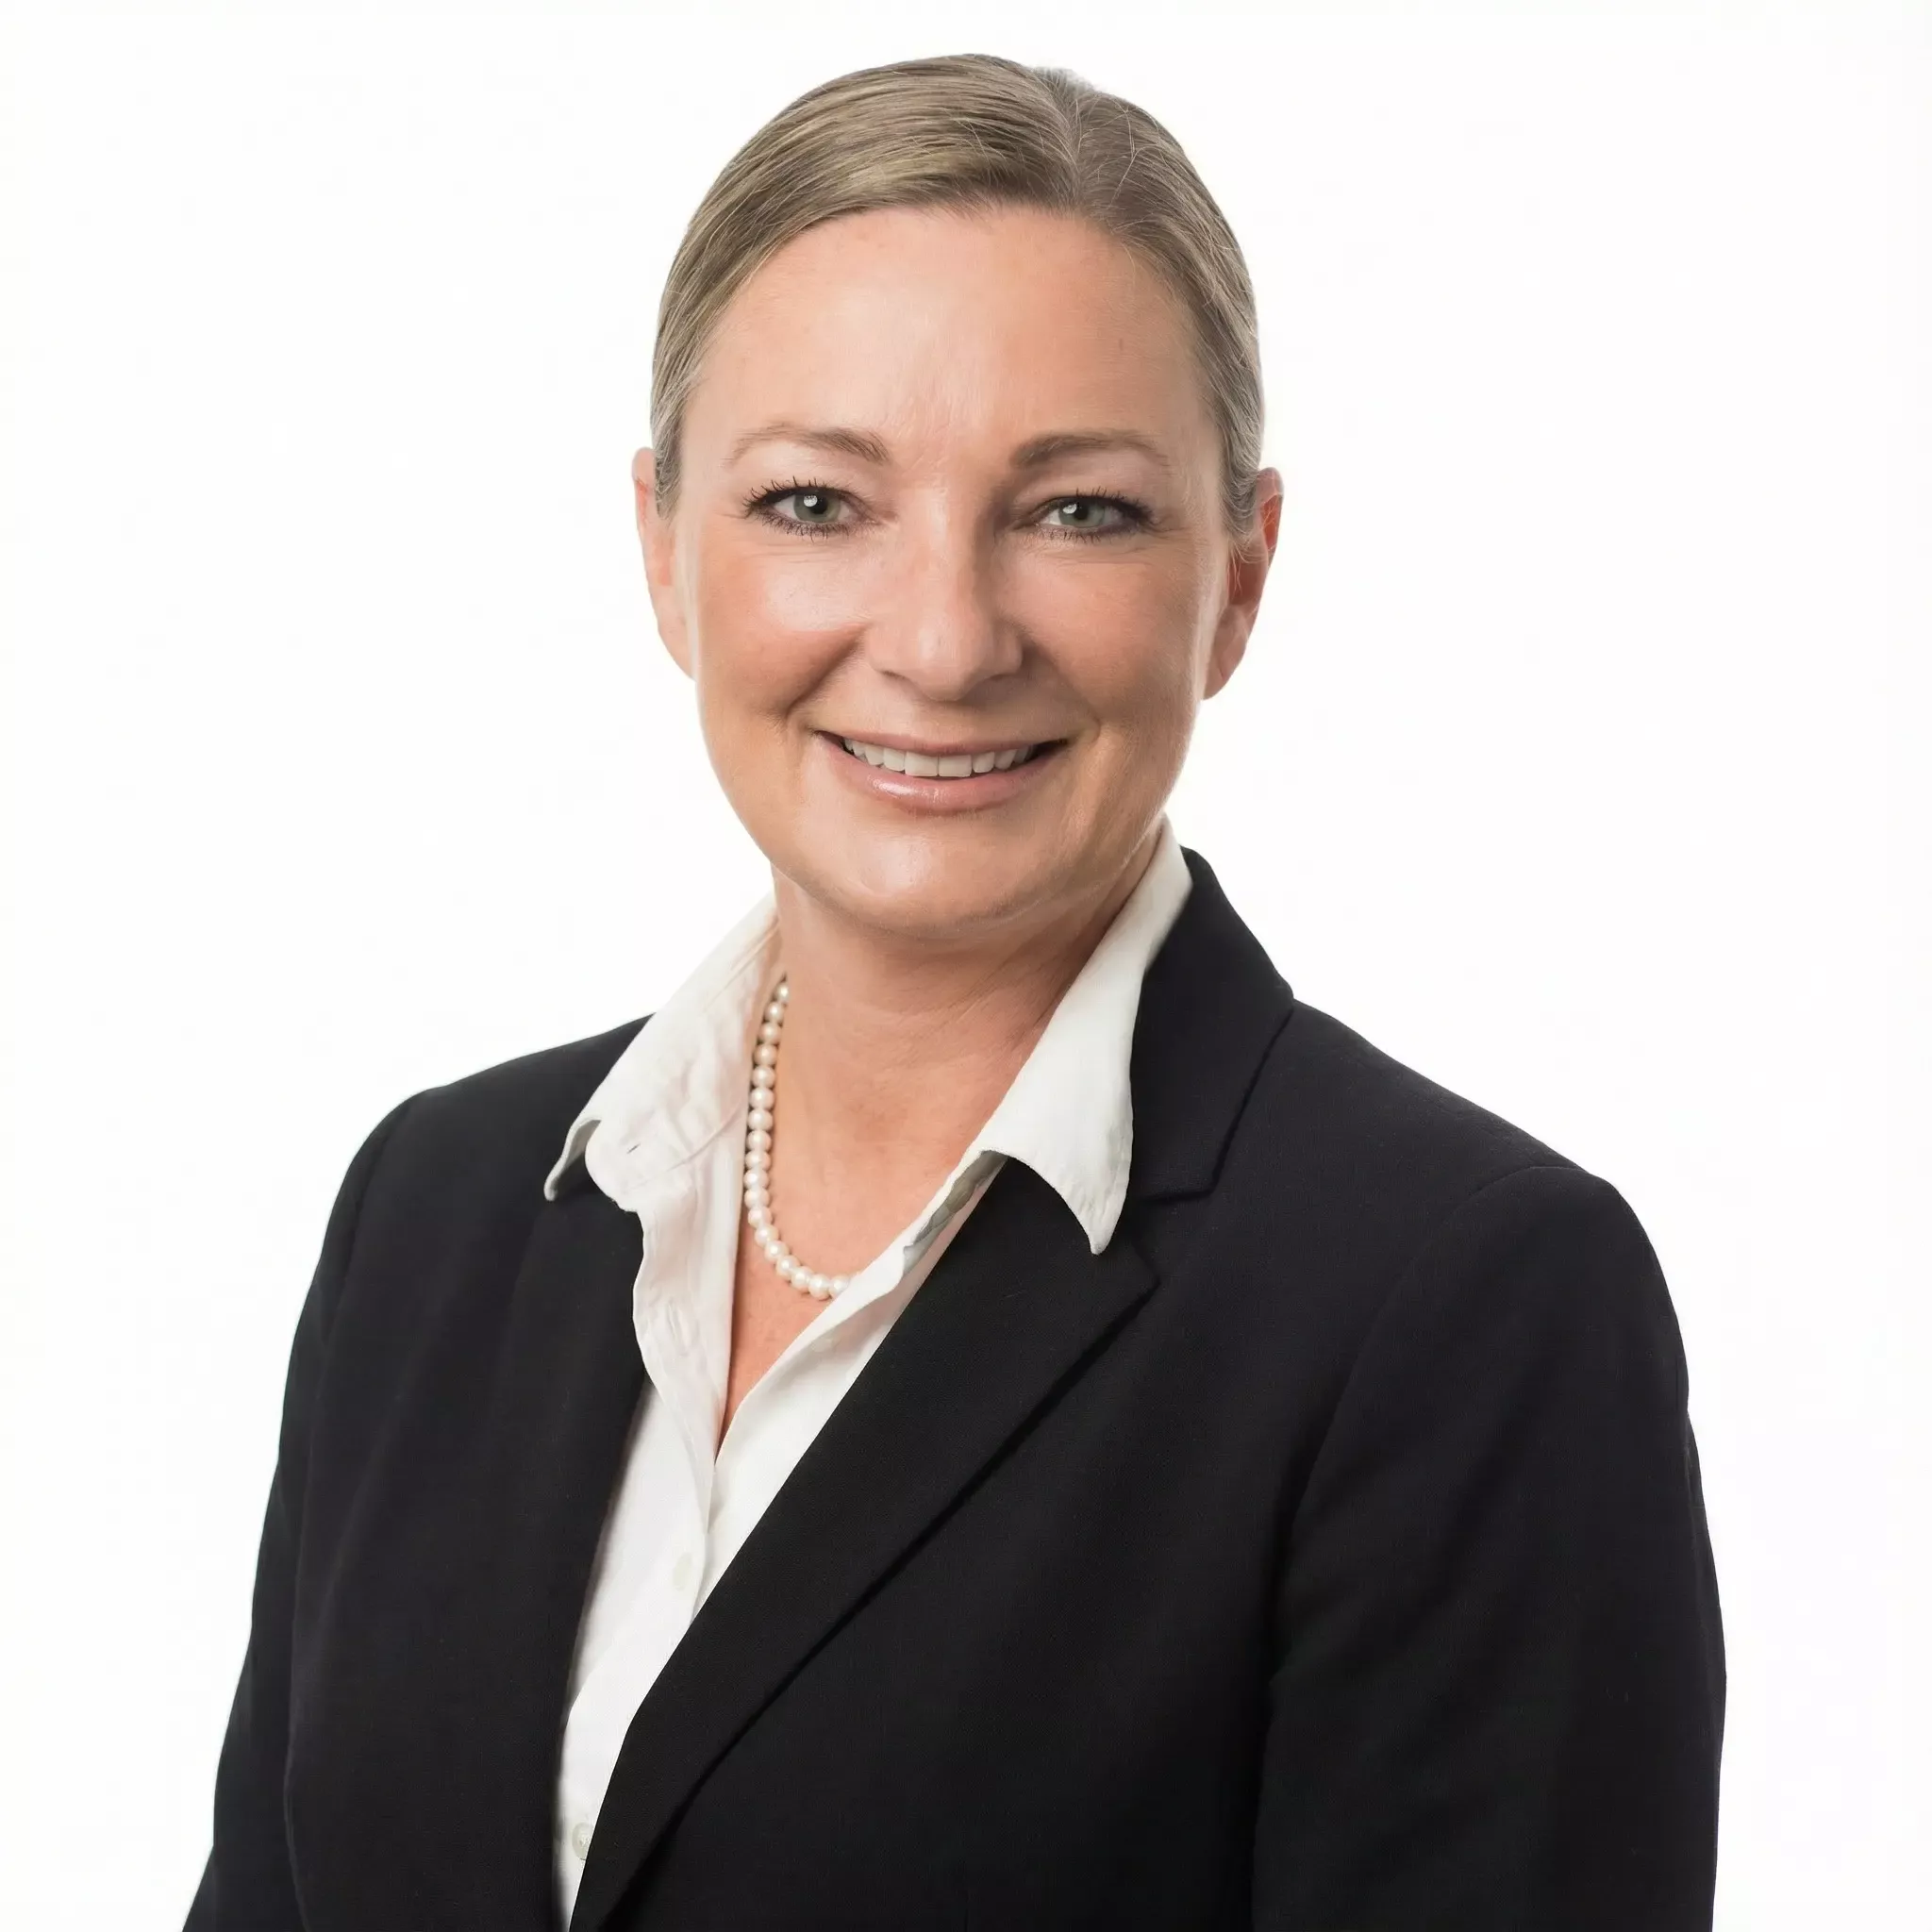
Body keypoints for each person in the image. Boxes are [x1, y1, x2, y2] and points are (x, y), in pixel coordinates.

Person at [185, 51, 1724, 1932]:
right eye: (817, 503)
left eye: (1076, 513)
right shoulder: (442, 1212)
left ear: (1237, 577)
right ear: (663, 549)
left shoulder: (1463, 1309)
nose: (938, 638)